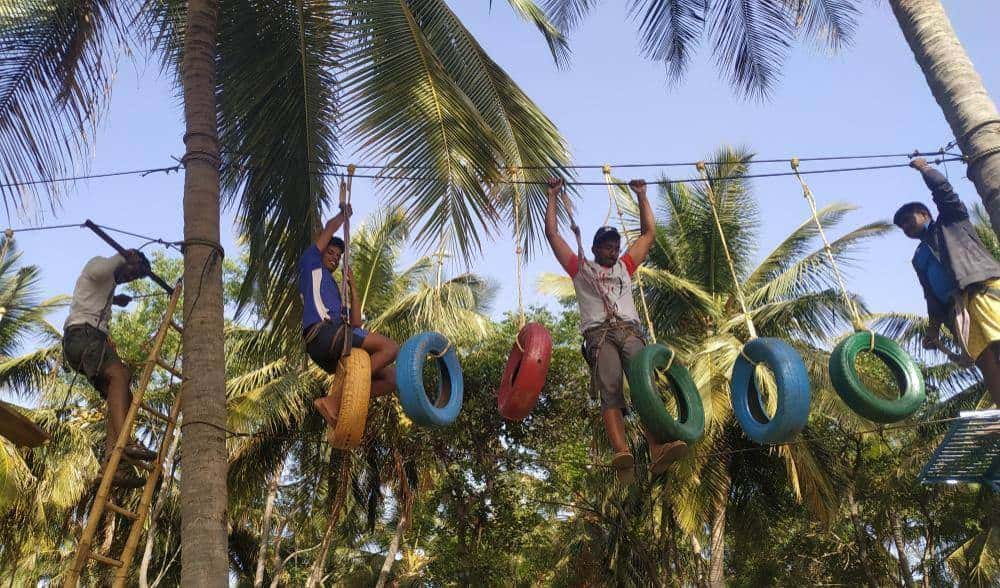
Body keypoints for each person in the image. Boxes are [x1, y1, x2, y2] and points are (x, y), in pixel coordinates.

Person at [545, 177, 688, 480]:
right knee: (610, 389)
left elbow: (649, 233)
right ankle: (621, 450)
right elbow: (553, 234)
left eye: (615, 247)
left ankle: (656, 447)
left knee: (643, 388)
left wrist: (642, 195)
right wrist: (552, 196)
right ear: (595, 248)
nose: (612, 251)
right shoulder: (580, 269)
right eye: (607, 247)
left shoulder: (625, 266)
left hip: (630, 332)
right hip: (600, 336)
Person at [894, 157, 1000, 408]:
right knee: (985, 360)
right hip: (958, 309)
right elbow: (931, 296)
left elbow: (944, 192)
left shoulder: (952, 221)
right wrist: (932, 330)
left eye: (909, 220)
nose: (906, 228)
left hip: (982, 290)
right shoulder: (919, 258)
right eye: (902, 227)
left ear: (924, 214)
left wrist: (925, 168)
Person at [63, 249, 156, 488]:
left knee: (124, 392)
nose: (129, 279)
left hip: (89, 340)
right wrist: (123, 257)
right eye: (130, 274)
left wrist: (116, 299)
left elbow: (94, 292)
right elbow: (97, 272)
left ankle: (112, 466)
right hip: (83, 337)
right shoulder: (99, 265)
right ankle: (126, 442)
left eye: (134, 278)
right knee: (120, 375)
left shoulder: (108, 285)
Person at [300, 203, 400, 426]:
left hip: (335, 341)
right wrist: (343, 215)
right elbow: (329, 228)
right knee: (390, 348)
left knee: (392, 379)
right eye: (331, 252)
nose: (335, 258)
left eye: (338, 256)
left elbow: (356, 323)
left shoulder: (334, 291)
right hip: (322, 335)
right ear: (321, 251)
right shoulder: (310, 263)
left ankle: (340, 401)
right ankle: (334, 400)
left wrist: (353, 288)